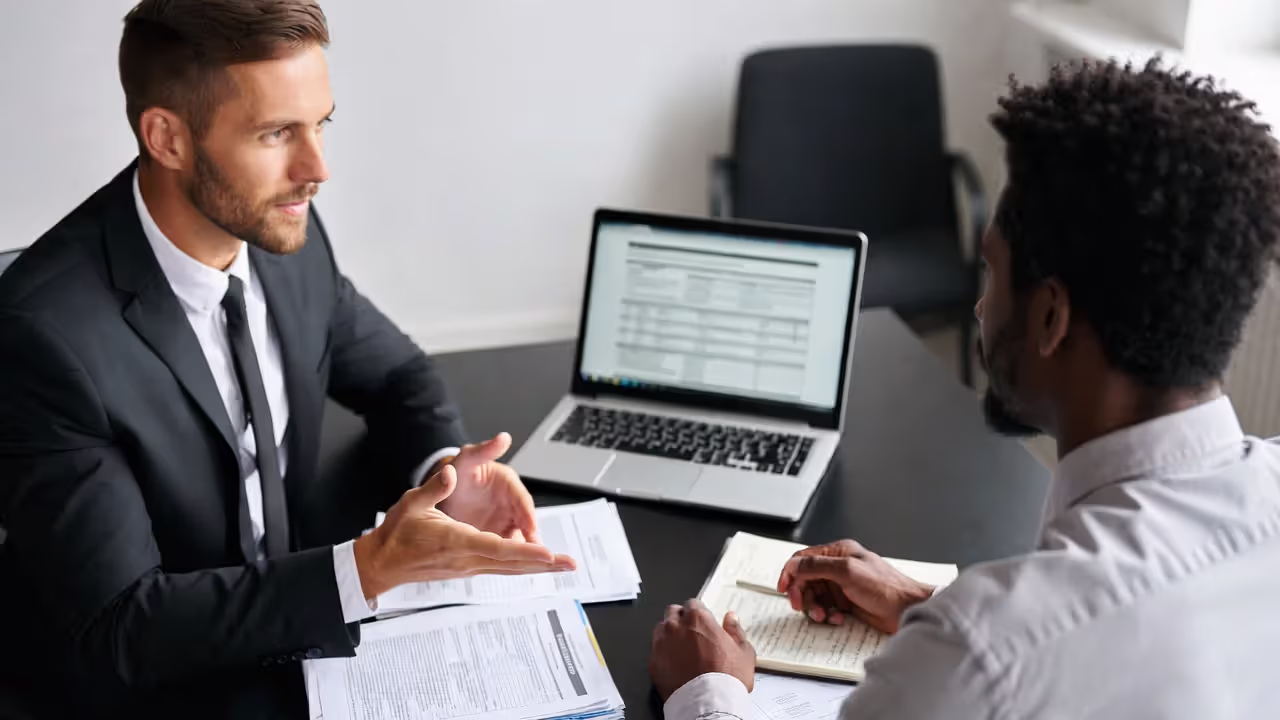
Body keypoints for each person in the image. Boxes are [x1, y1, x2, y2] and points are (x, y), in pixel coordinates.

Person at [651, 58, 1280, 718]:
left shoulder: (974, 656)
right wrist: (919, 604)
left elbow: (1013, 657)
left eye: (992, 271)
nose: (980, 307)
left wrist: (706, 690)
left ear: (1050, 317)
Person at [0, 1, 574, 716]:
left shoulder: (279, 230)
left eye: (320, 124)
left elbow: (398, 375)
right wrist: (363, 571)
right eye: (276, 133)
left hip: (299, 639)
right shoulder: (44, 336)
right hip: (155, 687)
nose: (317, 169)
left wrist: (446, 476)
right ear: (167, 138)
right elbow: (122, 626)